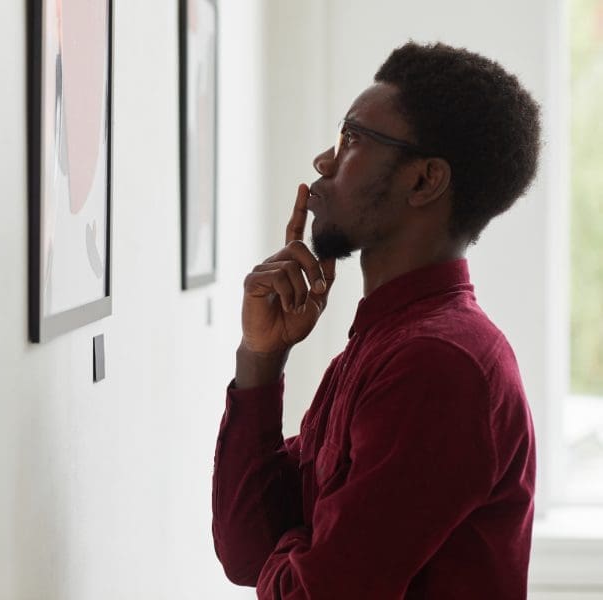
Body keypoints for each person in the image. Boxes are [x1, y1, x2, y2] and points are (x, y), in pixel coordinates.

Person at [212, 42, 540, 599]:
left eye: (353, 138)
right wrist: (261, 359)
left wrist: (296, 548)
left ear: (424, 181)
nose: (324, 161)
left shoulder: (437, 365)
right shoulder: (384, 344)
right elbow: (246, 552)